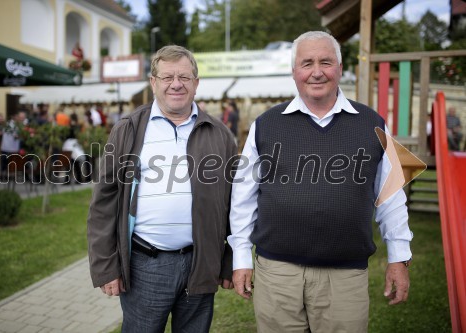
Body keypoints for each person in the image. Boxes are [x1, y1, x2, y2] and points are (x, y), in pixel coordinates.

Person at [228, 31, 413, 332]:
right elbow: (243, 198)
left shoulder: (373, 124)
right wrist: (240, 258)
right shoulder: (265, 125)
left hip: (345, 276)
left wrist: (399, 257)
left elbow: (391, 198)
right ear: (294, 72)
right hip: (277, 274)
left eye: (326, 62)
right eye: (307, 63)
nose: (316, 72)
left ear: (340, 69)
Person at [87, 45, 237, 333]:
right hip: (145, 266)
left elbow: (233, 205)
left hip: (200, 263)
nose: (176, 84)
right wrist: (106, 267)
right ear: (153, 83)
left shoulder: (219, 135)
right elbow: (103, 203)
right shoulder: (128, 129)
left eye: (184, 76)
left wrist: (229, 260)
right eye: (167, 77)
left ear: (196, 83)